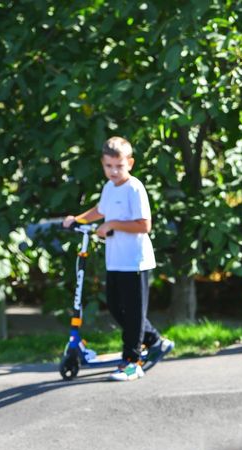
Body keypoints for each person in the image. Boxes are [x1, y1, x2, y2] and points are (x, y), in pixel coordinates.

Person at [63, 136, 173, 382]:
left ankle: (132, 362)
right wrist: (78, 220)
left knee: (133, 314)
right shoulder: (109, 188)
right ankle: (154, 341)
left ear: (130, 163)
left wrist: (112, 224)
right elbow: (100, 211)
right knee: (115, 307)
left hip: (135, 261)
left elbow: (145, 225)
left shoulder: (134, 188)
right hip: (115, 260)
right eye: (108, 166)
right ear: (103, 164)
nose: (113, 171)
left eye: (119, 166)